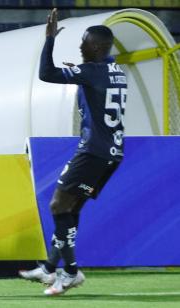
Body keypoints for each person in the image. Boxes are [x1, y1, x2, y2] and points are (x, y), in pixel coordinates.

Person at [19, 9, 127, 296]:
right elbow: (97, 83)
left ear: (97, 47)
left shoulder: (92, 71)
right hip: (112, 153)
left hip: (93, 151)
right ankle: (50, 266)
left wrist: (50, 39)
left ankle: (71, 271)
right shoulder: (116, 71)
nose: (80, 46)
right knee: (71, 208)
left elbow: (46, 73)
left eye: (84, 43)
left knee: (58, 206)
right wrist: (82, 73)